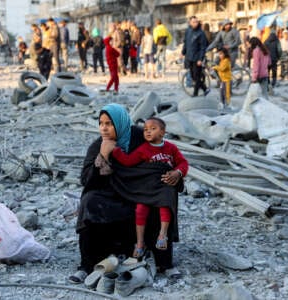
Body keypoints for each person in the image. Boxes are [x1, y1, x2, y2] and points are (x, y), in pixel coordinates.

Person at [69, 104, 183, 283]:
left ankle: (165, 263)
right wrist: (104, 156)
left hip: (140, 192)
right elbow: (86, 180)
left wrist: (176, 174)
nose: (104, 128)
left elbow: (163, 159)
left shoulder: (141, 137)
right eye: (101, 123)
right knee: (89, 201)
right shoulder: (99, 145)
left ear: (120, 123)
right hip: (111, 196)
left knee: (164, 194)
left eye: (109, 124)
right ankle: (86, 265)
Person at [112, 117, 188, 258]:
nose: (148, 131)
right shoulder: (143, 149)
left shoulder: (171, 148)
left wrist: (177, 172)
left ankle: (162, 235)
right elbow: (128, 162)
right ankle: (140, 242)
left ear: (162, 132)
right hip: (147, 186)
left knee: (165, 204)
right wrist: (115, 151)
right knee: (140, 209)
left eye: (153, 129)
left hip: (164, 185)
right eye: (146, 129)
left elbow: (183, 163)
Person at [182, 16, 209, 97]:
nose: (195, 23)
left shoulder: (201, 33)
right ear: (190, 23)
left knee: (197, 77)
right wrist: (183, 52)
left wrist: (200, 59)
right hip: (189, 57)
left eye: (196, 22)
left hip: (197, 58)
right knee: (193, 76)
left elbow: (203, 47)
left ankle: (195, 94)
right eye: (193, 22)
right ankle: (205, 88)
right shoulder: (188, 31)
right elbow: (185, 43)